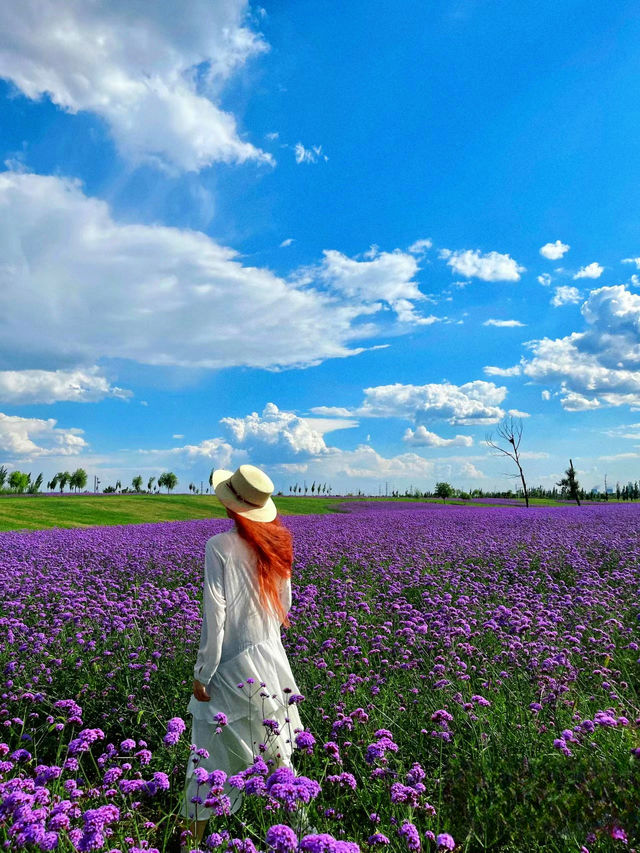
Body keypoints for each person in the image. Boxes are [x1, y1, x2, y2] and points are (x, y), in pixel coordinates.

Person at [178, 464, 303, 850]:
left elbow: (215, 617)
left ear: (230, 504)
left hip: (230, 667)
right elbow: (285, 606)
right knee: (277, 753)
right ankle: (300, 835)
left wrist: (203, 672)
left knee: (207, 761)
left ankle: (188, 845)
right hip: (271, 661)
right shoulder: (277, 544)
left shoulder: (218, 547)